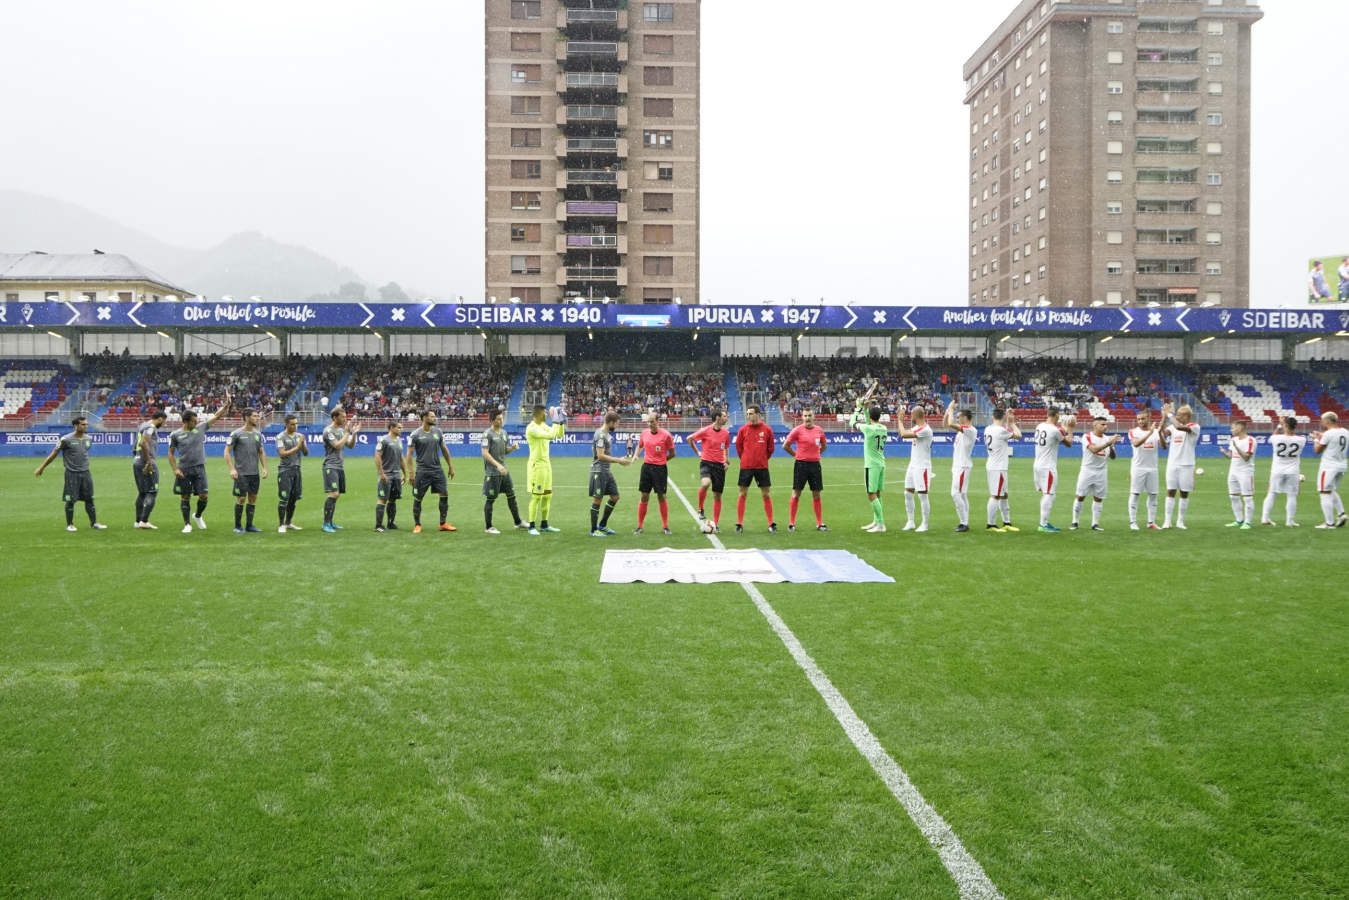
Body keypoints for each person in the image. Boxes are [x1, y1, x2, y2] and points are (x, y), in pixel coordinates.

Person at [168, 395, 231, 533]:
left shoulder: (200, 428)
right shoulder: (175, 435)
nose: (196, 422)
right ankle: (187, 524)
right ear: (185, 421)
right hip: (184, 469)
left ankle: (197, 516)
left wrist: (226, 406)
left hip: (199, 468)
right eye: (193, 421)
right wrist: (175, 469)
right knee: (185, 496)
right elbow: (171, 453)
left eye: (196, 420)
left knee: (204, 496)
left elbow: (216, 416)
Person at [34, 416, 107, 531]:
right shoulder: (65, 440)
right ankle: (70, 525)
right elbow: (53, 454)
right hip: (72, 474)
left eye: (86, 424)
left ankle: (94, 523)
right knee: (70, 500)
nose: (86, 426)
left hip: (86, 473)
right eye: (83, 424)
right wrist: (42, 467)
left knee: (89, 499)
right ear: (75, 425)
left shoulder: (88, 439)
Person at [408, 410, 456, 534]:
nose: (435, 418)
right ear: (424, 417)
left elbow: (444, 449)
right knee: (418, 497)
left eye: (435, 416)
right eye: (432, 416)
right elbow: (409, 455)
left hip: (437, 470)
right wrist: (411, 473)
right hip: (422, 471)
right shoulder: (415, 434)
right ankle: (417, 525)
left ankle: (443, 523)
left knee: (444, 494)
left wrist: (450, 466)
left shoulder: (438, 432)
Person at [733, 404, 777, 534]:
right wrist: (745, 459)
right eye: (747, 414)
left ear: (758, 414)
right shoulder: (743, 430)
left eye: (751, 413)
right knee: (742, 493)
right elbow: (739, 448)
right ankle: (739, 524)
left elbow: (770, 449)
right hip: (746, 466)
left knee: (766, 494)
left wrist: (762, 458)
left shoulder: (767, 430)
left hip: (762, 467)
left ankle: (770, 523)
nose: (748, 416)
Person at [782, 408, 828, 532]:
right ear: (802, 417)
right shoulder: (797, 430)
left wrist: (816, 454)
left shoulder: (819, 430)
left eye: (809, 415)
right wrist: (796, 455)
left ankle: (819, 523)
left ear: (813, 417)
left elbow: (824, 445)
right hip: (801, 465)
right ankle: (791, 523)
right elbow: (785, 445)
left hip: (815, 465)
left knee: (816, 494)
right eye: (805, 416)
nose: (807, 418)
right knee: (796, 493)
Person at [589, 411, 633, 537]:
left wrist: (618, 459)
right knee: (597, 499)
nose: (617, 426)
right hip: (599, 471)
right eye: (616, 424)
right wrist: (618, 460)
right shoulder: (601, 435)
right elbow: (600, 455)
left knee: (615, 497)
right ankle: (593, 530)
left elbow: (596, 451)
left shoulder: (606, 435)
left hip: (606, 471)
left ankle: (602, 525)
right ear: (611, 422)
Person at [481, 409, 525, 534]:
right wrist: (497, 466)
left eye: (501, 418)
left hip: (504, 471)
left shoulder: (504, 433)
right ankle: (489, 527)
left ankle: (518, 522)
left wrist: (512, 448)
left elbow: (505, 451)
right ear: (491, 420)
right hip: (492, 473)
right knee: (490, 499)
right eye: (498, 419)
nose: (501, 421)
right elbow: (485, 453)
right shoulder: (487, 434)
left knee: (511, 495)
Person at [224, 407, 267, 534]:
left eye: (257, 416)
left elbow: (261, 452)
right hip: (241, 473)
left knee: (253, 498)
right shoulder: (236, 434)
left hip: (254, 473)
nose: (257, 418)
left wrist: (264, 468)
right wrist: (232, 469)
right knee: (241, 498)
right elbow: (226, 452)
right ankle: (237, 526)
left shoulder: (258, 434)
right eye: (254, 416)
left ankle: (249, 525)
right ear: (247, 417)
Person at [1072, 417, 1118, 531]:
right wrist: (1108, 443)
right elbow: (1093, 450)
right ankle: (1075, 522)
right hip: (1087, 470)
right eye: (1102, 424)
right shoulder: (1087, 436)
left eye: (1106, 424)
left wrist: (1111, 446)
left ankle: (1095, 523)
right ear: (1095, 425)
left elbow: (1113, 457)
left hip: (1101, 472)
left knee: (1098, 498)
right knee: (1080, 496)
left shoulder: (1107, 439)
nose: (1105, 426)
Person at [525, 404, 566, 535]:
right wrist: (555, 420)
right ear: (538, 414)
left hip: (546, 465)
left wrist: (561, 422)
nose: (546, 415)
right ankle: (531, 526)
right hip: (537, 466)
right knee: (536, 497)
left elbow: (559, 434)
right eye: (545, 413)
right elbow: (551, 436)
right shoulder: (531, 428)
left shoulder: (543, 425)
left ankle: (544, 524)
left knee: (547, 495)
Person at [689, 408, 731, 532]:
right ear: (717, 418)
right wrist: (698, 452)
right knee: (705, 483)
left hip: (719, 466)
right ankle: (700, 508)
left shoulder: (726, 433)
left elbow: (726, 447)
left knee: (717, 496)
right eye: (724, 416)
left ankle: (715, 524)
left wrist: (726, 461)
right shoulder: (705, 430)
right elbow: (690, 439)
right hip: (706, 463)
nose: (726, 418)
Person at [1032, 408, 1074, 533]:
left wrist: (1064, 427)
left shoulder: (1040, 426)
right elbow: (1069, 443)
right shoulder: (1056, 430)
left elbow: (1057, 432)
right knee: (1049, 494)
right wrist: (1070, 430)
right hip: (1048, 466)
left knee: (1047, 493)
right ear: (1056, 415)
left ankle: (1044, 522)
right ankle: (1043, 524)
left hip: (1038, 463)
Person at [635, 413, 676, 535]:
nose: (650, 424)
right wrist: (636, 455)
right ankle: (639, 526)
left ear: (658, 421)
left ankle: (665, 526)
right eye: (648, 422)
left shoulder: (666, 435)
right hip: (646, 468)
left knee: (661, 496)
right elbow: (640, 446)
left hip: (660, 469)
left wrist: (662, 461)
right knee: (644, 496)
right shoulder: (644, 433)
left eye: (652, 421)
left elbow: (673, 453)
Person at [850, 402, 889, 533]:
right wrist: (866, 409)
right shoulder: (883, 428)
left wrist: (858, 409)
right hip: (881, 463)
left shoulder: (868, 429)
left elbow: (852, 423)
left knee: (871, 494)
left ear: (871, 417)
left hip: (871, 465)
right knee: (877, 493)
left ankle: (881, 524)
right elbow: (869, 423)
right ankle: (876, 521)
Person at [1162, 402, 1200, 529]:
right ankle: (1167, 521)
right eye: (1176, 414)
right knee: (1170, 491)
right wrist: (1164, 416)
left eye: (1179, 415)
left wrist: (1169, 414)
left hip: (1187, 465)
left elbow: (1178, 426)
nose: (1177, 417)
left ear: (1186, 416)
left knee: (1184, 493)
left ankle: (1180, 521)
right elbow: (1164, 432)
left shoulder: (1194, 427)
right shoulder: (1173, 427)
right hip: (1172, 464)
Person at [321, 407, 359, 533]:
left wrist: (354, 434)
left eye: (345, 417)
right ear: (334, 417)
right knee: (334, 493)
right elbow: (337, 445)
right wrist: (347, 433)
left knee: (336, 495)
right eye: (342, 417)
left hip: (339, 466)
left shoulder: (342, 431)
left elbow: (350, 446)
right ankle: (326, 523)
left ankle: (330, 522)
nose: (345, 419)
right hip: (330, 465)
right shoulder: (328, 431)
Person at [1262, 417, 1305, 527]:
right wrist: (1283, 424)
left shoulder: (1276, 438)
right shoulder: (1301, 439)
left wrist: (1279, 425)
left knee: (1272, 493)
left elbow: (1272, 437)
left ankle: (1265, 518)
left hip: (1277, 470)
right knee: (1292, 495)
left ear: (1285, 425)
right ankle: (1289, 521)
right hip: (1293, 470)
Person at [984, 408, 1022, 531]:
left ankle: (1007, 522)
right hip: (998, 467)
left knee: (1004, 494)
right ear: (1003, 417)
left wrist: (1007, 421)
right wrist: (1012, 423)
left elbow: (1004, 434)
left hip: (994, 464)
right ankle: (991, 524)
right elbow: (1018, 435)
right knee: (996, 495)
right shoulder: (1001, 430)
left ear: (993, 417)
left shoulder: (988, 428)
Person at [898, 404, 935, 533]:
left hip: (922, 466)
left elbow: (903, 434)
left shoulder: (925, 430)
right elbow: (901, 433)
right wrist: (900, 422)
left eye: (912, 414)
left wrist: (900, 421)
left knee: (922, 495)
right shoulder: (917, 428)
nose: (910, 417)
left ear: (917, 415)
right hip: (913, 465)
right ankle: (911, 521)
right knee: (908, 493)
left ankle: (925, 523)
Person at [1127, 407, 1164, 531]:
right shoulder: (1133, 431)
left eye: (1143, 418)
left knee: (1153, 495)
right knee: (1135, 494)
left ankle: (1151, 522)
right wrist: (1150, 433)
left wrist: (1159, 433)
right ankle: (1133, 522)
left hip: (1153, 468)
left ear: (1149, 418)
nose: (1140, 421)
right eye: (1138, 419)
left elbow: (1164, 447)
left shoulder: (1156, 432)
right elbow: (1136, 443)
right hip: (1138, 468)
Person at [943, 401, 977, 533]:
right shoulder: (962, 431)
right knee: (962, 494)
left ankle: (964, 522)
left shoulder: (970, 430)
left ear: (965, 418)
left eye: (959, 417)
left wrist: (951, 410)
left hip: (962, 466)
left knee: (955, 493)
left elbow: (951, 423)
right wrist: (948, 410)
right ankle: (964, 522)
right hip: (958, 466)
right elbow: (946, 424)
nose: (957, 419)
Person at [1312, 411, 1349, 529]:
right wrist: (1321, 435)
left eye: (1323, 420)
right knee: (1331, 490)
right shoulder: (1345, 431)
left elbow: (1317, 450)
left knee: (1324, 493)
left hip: (1328, 466)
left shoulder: (1328, 434)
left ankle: (1329, 523)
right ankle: (1341, 514)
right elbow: (1334, 439)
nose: (1322, 422)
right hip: (1341, 465)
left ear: (1328, 421)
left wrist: (1315, 439)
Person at [133, 408, 167, 529]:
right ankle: (144, 521)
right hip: (147, 461)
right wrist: (148, 462)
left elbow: (135, 447)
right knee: (152, 492)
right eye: (163, 422)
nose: (163, 424)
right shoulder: (151, 427)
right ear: (160, 419)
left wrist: (138, 457)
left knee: (142, 493)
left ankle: (138, 521)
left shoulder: (142, 425)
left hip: (137, 461)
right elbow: (143, 443)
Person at [1219, 419, 1256, 529]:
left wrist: (1236, 447)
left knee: (1247, 498)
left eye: (1233, 427)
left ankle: (1248, 522)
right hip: (1233, 471)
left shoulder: (1250, 440)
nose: (1231, 430)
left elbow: (1246, 457)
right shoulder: (1233, 440)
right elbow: (1231, 456)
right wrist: (1224, 453)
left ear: (1240, 427)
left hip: (1245, 472)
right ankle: (1239, 520)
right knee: (1233, 497)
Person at [273, 413, 307, 532]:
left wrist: (302, 444)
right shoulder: (280, 437)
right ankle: (281, 525)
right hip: (285, 470)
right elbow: (282, 454)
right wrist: (297, 447)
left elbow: (306, 453)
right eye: (292, 424)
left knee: (294, 498)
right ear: (286, 424)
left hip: (297, 470)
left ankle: (288, 523)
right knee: (284, 498)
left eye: (296, 424)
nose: (295, 426)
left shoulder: (300, 436)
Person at [374, 419, 406, 533]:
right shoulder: (384, 440)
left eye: (401, 427)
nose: (401, 430)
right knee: (383, 499)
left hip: (397, 475)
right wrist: (381, 473)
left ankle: (391, 523)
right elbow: (377, 456)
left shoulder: (399, 440)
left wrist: (405, 473)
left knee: (393, 499)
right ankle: (378, 526)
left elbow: (401, 458)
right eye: (399, 427)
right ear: (392, 428)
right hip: (386, 474)